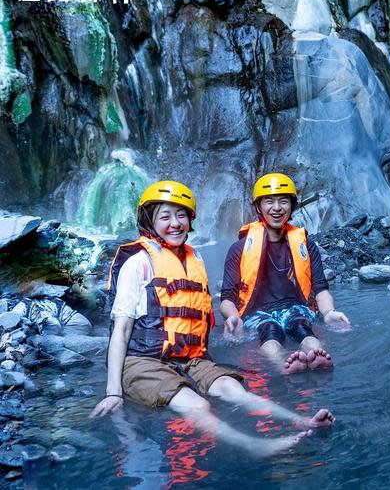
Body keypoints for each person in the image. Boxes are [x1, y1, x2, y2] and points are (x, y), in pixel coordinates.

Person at [89, 180, 334, 457]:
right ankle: (255, 446)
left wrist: (231, 324)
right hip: (143, 360)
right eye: (165, 217)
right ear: (150, 220)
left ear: (190, 219)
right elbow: (120, 330)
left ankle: (302, 421)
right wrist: (113, 391)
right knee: (198, 405)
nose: (175, 223)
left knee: (234, 389)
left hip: (190, 359)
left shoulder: (196, 260)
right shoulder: (139, 263)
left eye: (181, 215)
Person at [220, 173, 350, 374]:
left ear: (292, 206)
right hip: (259, 315)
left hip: (296, 308)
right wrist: (233, 317)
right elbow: (227, 298)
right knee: (269, 332)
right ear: (258, 207)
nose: (277, 208)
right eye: (269, 202)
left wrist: (329, 313)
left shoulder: (306, 246)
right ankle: (283, 362)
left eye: (283, 201)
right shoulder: (239, 249)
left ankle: (317, 354)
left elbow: (321, 290)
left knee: (302, 328)